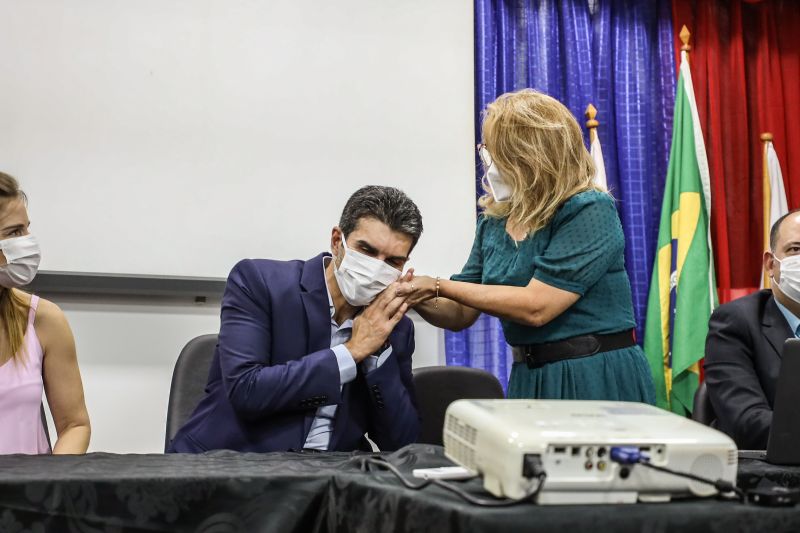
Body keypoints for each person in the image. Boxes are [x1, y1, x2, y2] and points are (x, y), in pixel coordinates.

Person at [397, 89, 655, 403]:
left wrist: (437, 285)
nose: (486, 158)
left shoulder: (589, 209)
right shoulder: (494, 222)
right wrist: (408, 292)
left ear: (527, 156)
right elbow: (460, 312)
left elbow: (537, 306)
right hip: (531, 376)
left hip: (593, 377)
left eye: (493, 148)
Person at [168, 185, 421, 453]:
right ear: (337, 241)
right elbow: (247, 391)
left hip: (334, 477)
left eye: (392, 261)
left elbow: (402, 443)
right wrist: (352, 351)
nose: (376, 268)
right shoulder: (259, 282)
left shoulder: (396, 326)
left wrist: (376, 351)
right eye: (366, 251)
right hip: (234, 464)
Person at [0, 172, 91, 455]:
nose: (28, 241)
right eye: (14, 232)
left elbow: (75, 426)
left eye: (26, 229)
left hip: (29, 498)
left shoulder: (44, 320)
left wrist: (48, 489)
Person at [704, 209, 800, 450]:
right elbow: (747, 423)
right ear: (770, 264)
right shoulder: (734, 323)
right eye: (795, 250)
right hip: (774, 478)